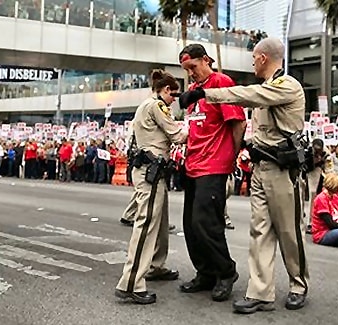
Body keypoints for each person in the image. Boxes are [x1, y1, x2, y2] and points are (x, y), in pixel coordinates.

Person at [179, 37, 309, 313]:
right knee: (259, 232)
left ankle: (298, 284)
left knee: (289, 231)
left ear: (262, 58)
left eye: (253, 58)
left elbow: (248, 96)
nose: (252, 62)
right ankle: (261, 293)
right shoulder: (265, 87)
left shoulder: (287, 86)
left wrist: (205, 94)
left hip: (283, 170)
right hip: (261, 167)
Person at [176, 44, 246, 303]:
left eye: (193, 67)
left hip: (214, 165)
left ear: (206, 60)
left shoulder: (221, 82)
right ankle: (205, 272)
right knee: (191, 225)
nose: (191, 74)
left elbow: (238, 123)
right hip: (193, 164)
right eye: (186, 70)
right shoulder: (194, 91)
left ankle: (226, 272)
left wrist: (232, 156)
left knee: (207, 224)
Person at [115, 70, 188, 305]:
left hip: (151, 170)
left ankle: (156, 265)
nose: (175, 99)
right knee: (146, 225)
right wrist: (199, 127)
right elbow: (177, 134)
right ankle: (131, 282)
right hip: (151, 172)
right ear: (165, 90)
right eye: (173, 94)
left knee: (160, 221)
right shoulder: (157, 105)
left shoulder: (147, 105)